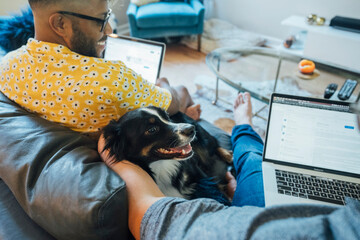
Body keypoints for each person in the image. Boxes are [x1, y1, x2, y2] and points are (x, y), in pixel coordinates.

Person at [98, 92, 360, 240]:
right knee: (254, 160)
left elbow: (154, 219)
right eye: (154, 127)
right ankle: (242, 125)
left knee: (253, 161)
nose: (181, 127)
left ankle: (242, 128)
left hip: (247, 213)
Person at [0, 0, 201, 138]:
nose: (109, 30)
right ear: (60, 24)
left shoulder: (7, 67)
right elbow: (175, 99)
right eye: (101, 20)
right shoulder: (111, 81)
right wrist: (163, 84)